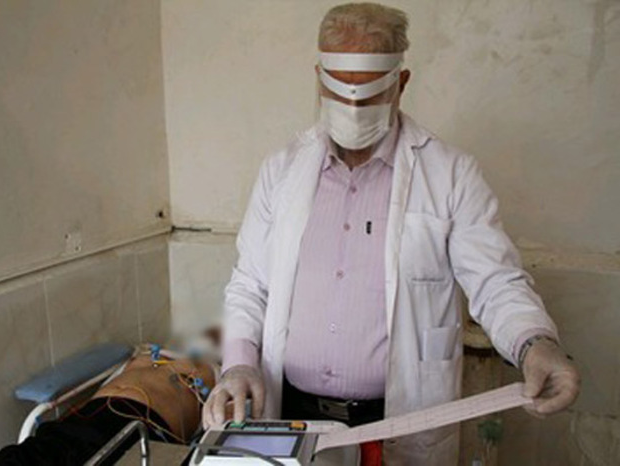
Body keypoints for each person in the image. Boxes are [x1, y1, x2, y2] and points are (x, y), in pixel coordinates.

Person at [203, 3, 580, 465]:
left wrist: (535, 345)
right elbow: (249, 284)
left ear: (400, 83)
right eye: (339, 92)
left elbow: (496, 282)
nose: (352, 110)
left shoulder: (450, 175)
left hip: (398, 422)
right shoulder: (281, 171)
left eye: (368, 95)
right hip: (294, 413)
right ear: (319, 80)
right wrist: (240, 365)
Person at [0, 344, 217, 465]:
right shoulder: (143, 356)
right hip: (76, 429)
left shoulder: (212, 374)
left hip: (137, 431)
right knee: (27, 456)